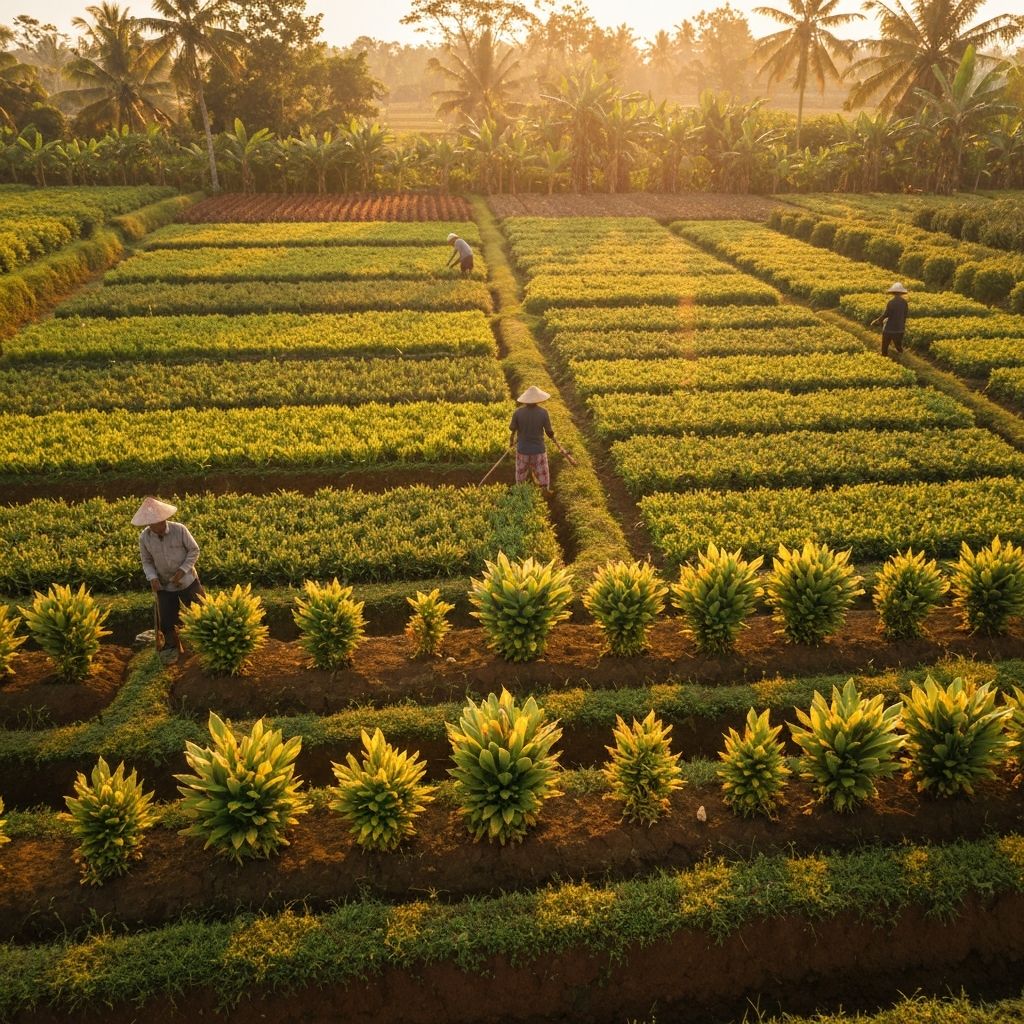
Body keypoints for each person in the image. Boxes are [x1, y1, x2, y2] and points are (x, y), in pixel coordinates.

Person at [133, 497, 204, 664]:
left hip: (187, 580)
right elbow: (147, 561)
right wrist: (152, 578)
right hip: (164, 583)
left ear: (164, 519)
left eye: (157, 522)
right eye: (150, 524)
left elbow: (194, 551)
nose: (154, 527)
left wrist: (182, 571)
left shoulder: (180, 530)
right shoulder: (145, 538)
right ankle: (171, 646)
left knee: (200, 611)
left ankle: (204, 642)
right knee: (167, 618)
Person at [509, 385, 557, 491]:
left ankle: (519, 491)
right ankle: (545, 490)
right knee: (542, 473)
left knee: (521, 474)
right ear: (537, 400)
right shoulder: (543, 413)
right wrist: (554, 439)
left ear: (525, 400)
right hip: (538, 450)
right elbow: (549, 432)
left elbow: (512, 429)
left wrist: (511, 441)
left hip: (523, 449)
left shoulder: (518, 413)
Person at [870, 282, 909, 356]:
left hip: (889, 329)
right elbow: (905, 316)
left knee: (884, 348)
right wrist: (901, 326)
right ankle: (902, 360)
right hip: (899, 329)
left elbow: (885, 315)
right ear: (901, 293)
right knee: (899, 347)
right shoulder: (904, 303)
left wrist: (877, 321)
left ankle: (884, 359)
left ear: (893, 292)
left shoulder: (891, 302)